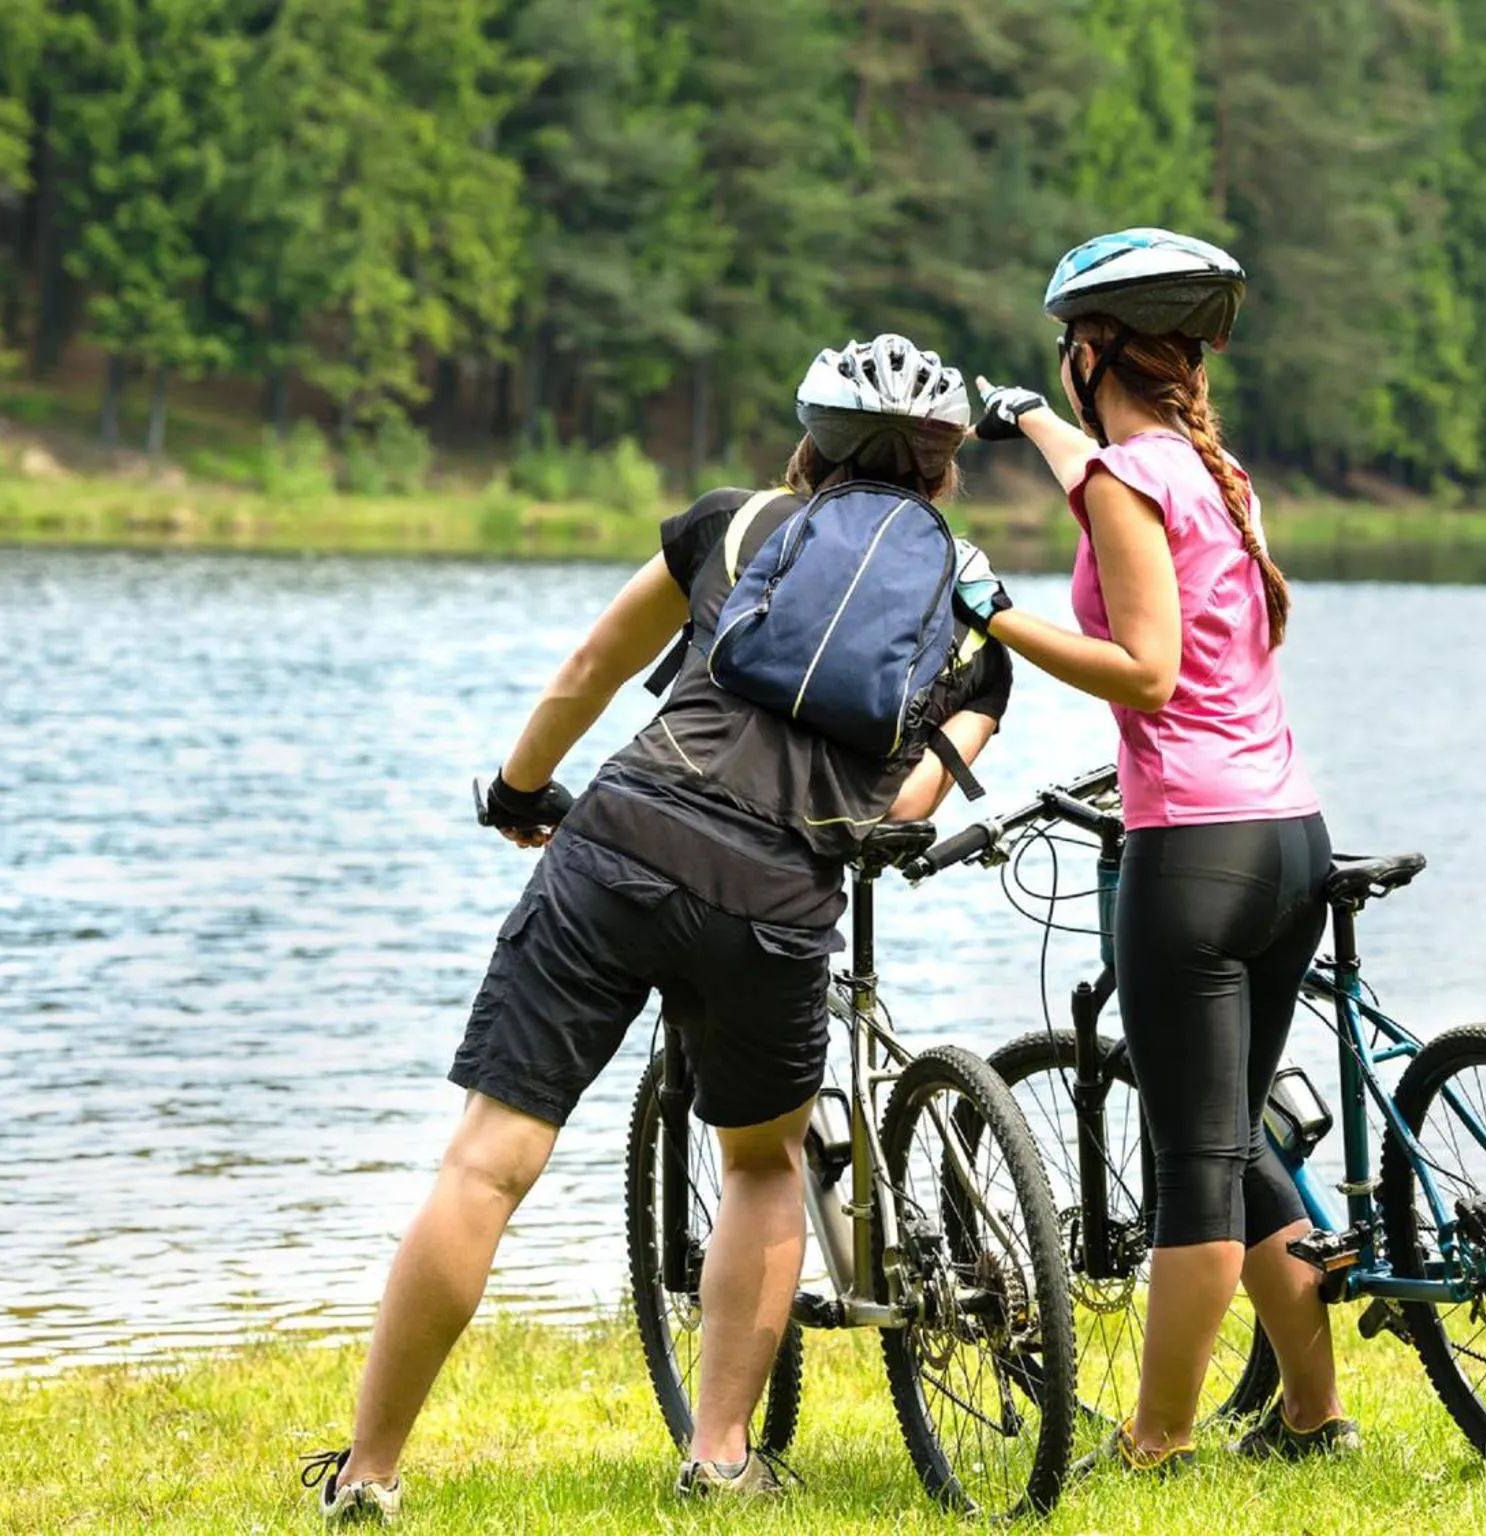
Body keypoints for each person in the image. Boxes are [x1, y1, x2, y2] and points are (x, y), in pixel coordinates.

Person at [304, 334, 1013, 1524]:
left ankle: (368, 1475)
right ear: (945, 473)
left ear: (810, 443)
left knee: (487, 1161)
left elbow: (592, 664)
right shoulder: (975, 614)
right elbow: (909, 806)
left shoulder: (731, 526)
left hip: (623, 845)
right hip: (779, 898)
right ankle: (722, 1455)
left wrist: (521, 792)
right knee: (759, 1162)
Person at [956, 229, 1356, 1471]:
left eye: (1060, 359)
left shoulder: (1132, 483)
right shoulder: (1204, 471)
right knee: (1235, 1145)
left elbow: (1145, 668)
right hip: (1289, 841)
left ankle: (1155, 1440)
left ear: (1091, 351)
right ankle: (1310, 1418)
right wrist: (1026, 420)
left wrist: (994, 614)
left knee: (1194, 1168)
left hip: (1191, 855)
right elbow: (1103, 477)